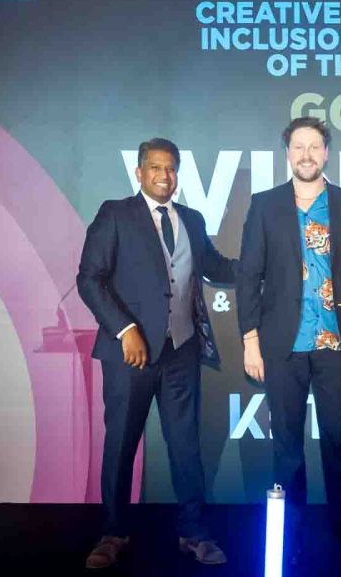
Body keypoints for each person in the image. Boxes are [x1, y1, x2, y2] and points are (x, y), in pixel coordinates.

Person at [76, 138, 236, 569]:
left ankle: (194, 532)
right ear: (139, 172)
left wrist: (264, 267)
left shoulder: (191, 219)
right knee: (121, 444)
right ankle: (113, 533)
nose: (165, 176)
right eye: (155, 168)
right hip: (130, 354)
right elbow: (89, 279)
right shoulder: (115, 214)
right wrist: (125, 329)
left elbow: (216, 267)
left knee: (185, 445)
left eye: (171, 169)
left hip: (180, 351)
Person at [236, 117, 341, 562]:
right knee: (287, 448)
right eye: (299, 146)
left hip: (337, 344)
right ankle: (290, 535)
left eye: (315, 146)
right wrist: (250, 340)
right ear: (288, 153)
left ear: (326, 153)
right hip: (283, 346)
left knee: (337, 443)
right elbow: (248, 276)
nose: (307, 155)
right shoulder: (265, 205)